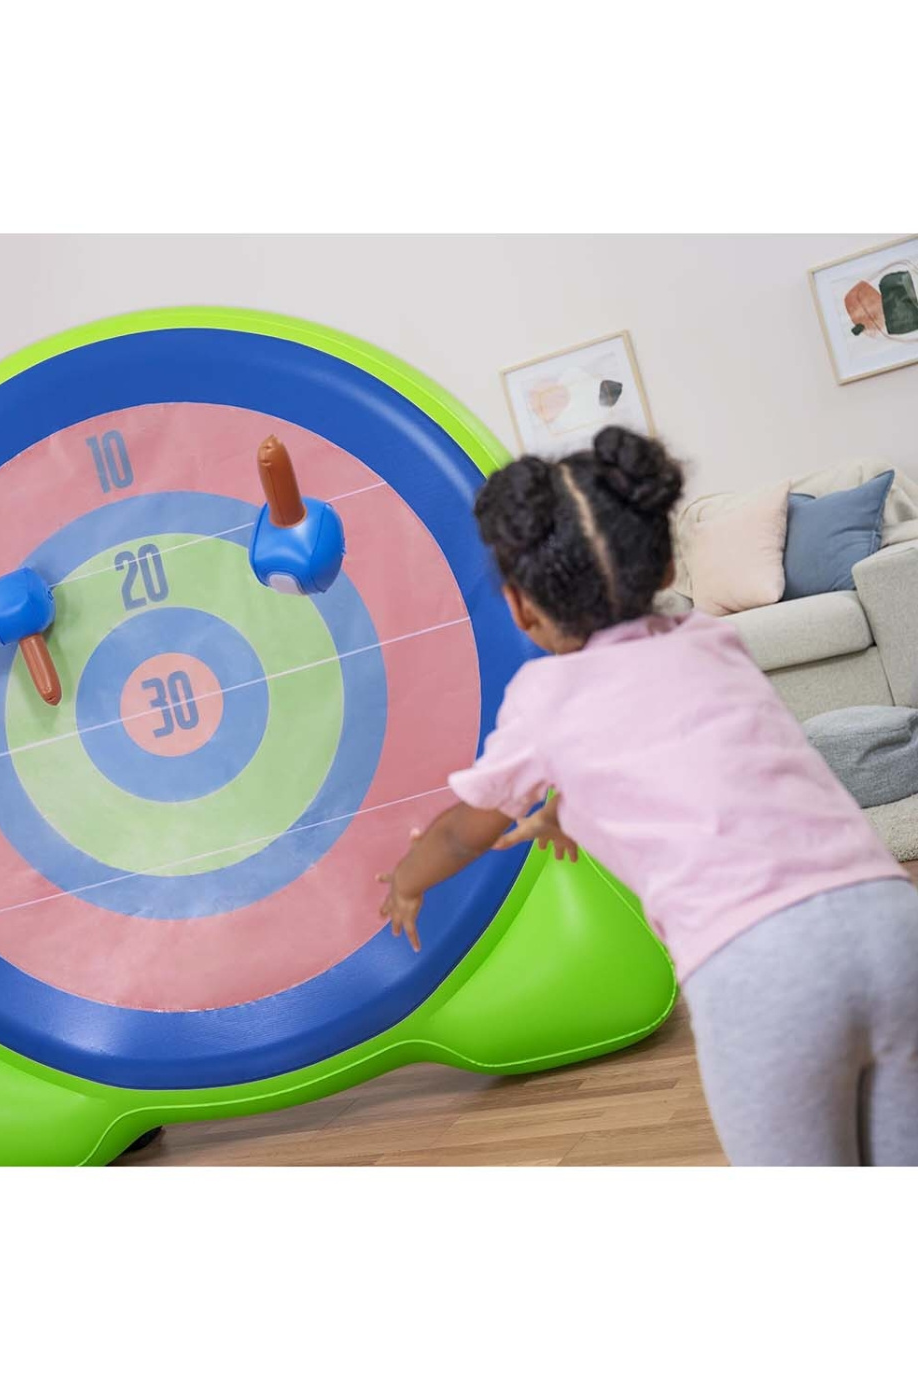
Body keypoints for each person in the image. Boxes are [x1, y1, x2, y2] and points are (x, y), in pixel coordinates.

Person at [377, 428, 918, 1166]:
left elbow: (460, 833)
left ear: (520, 607)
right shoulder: (709, 640)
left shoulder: (544, 696)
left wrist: (407, 882)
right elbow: (693, 754)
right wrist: (566, 808)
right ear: (666, 564)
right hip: (890, 920)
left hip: (760, 963)